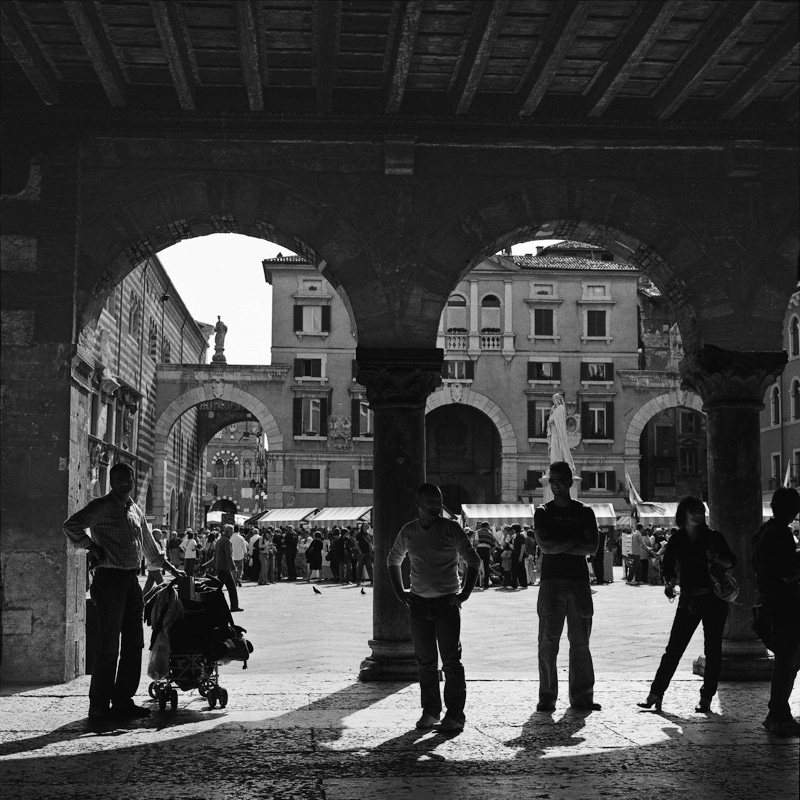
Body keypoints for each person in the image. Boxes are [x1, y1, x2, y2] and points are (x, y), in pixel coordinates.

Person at [63, 462, 183, 722]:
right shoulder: (101, 506)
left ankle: (122, 700)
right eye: (118, 480)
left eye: (127, 480)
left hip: (131, 583)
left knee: (134, 644)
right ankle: (98, 704)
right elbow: (71, 525)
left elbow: (149, 546)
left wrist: (170, 567)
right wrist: (91, 547)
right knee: (108, 645)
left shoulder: (135, 509)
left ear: (132, 481)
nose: (124, 484)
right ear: (111, 482)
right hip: (109, 580)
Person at [387, 483, 480, 733]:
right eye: (430, 500)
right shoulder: (409, 531)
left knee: (451, 661)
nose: (436, 505)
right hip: (418, 604)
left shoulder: (451, 529)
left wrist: (465, 594)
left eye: (438, 500)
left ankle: (455, 714)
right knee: (425, 662)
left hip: (446, 603)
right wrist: (399, 591)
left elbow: (474, 560)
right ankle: (430, 711)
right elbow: (393, 560)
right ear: (418, 503)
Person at [638, 496, 736, 714]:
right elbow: (669, 564)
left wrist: (716, 558)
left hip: (713, 600)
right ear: (684, 514)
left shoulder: (713, 538)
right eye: (693, 510)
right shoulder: (678, 539)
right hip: (689, 599)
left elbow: (732, 561)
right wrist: (669, 582)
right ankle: (656, 692)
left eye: (701, 510)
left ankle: (707, 697)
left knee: (712, 650)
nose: (699, 514)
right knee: (674, 649)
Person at [533, 461, 600, 712]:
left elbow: (591, 547)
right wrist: (576, 539)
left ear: (571, 482)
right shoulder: (543, 511)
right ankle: (547, 696)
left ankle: (582, 696)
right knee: (548, 641)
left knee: (581, 641)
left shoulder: (585, 511)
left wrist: (560, 542)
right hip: (551, 582)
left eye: (561, 480)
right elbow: (546, 547)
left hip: (579, 582)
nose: (557, 485)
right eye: (553, 481)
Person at [752, 487, 800, 736]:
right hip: (784, 607)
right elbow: (788, 573)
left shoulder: (763, 531)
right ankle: (779, 715)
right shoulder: (781, 533)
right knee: (787, 661)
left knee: (787, 660)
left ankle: (776, 713)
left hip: (768, 603)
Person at [215, 524, 243, 612]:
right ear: (230, 532)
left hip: (220, 566)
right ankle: (214, 604)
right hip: (225, 567)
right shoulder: (227, 541)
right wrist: (233, 567)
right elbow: (229, 555)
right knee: (220, 588)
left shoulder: (219, 540)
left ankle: (234, 605)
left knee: (231, 587)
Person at [142, 528, 166, 597]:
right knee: (162, 585)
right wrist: (163, 552)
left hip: (153, 567)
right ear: (155, 535)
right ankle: (164, 599)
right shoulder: (154, 543)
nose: (161, 535)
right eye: (160, 534)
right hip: (154, 567)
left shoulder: (158, 542)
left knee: (148, 586)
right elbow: (156, 554)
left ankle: (142, 600)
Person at [475, 521, 495, 590]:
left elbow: (476, 542)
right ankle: (486, 584)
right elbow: (493, 544)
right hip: (487, 549)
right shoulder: (490, 533)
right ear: (487, 526)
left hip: (479, 549)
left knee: (477, 566)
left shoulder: (478, 532)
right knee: (486, 567)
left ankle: (477, 584)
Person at [511, 523, 528, 588]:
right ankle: (520, 583)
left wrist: (521, 555)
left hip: (518, 554)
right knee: (517, 569)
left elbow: (523, 546)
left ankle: (518, 583)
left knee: (519, 569)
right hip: (516, 553)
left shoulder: (520, 536)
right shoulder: (516, 536)